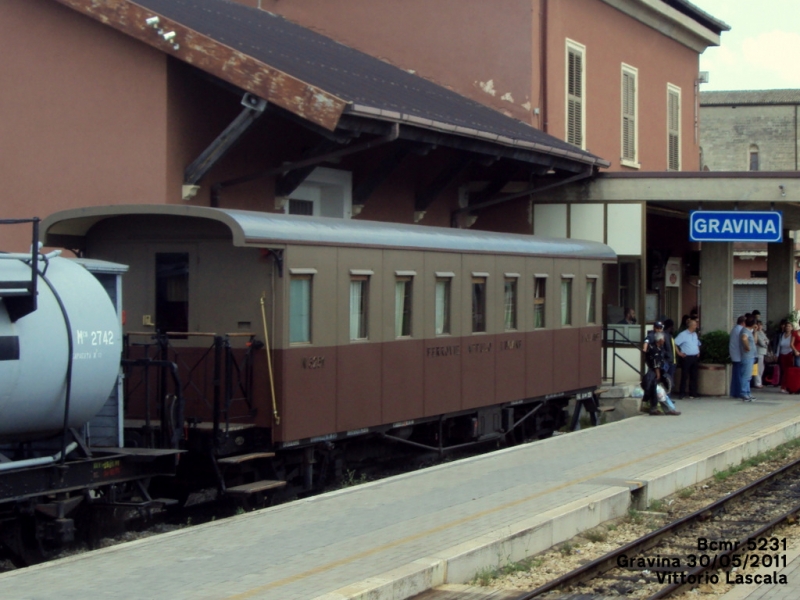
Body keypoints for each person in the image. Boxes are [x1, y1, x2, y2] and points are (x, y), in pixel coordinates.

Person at [642, 332, 680, 415]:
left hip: (660, 371)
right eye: (663, 339)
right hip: (654, 372)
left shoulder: (660, 348)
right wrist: (658, 374)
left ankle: (658, 408)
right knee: (659, 391)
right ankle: (666, 409)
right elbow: (656, 364)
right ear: (660, 340)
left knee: (661, 390)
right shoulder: (653, 348)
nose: (664, 340)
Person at [674, 318, 701, 399]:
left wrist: (698, 351)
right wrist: (679, 353)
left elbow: (697, 343)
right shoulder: (683, 334)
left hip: (694, 356)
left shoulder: (695, 334)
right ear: (691, 326)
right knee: (684, 375)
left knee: (694, 375)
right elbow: (675, 343)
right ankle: (682, 393)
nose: (696, 327)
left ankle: (693, 393)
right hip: (686, 357)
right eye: (695, 325)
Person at [739, 315, 757, 401]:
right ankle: (744, 393)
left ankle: (747, 392)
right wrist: (747, 347)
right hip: (747, 356)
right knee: (746, 376)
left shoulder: (748, 331)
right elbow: (744, 338)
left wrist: (755, 331)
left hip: (750, 356)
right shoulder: (745, 331)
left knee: (748, 376)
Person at [773, 319, 794, 393]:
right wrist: (776, 354)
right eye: (787, 326)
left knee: (788, 371)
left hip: (789, 354)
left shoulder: (792, 335)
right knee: (783, 371)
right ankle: (783, 386)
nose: (788, 327)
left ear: (791, 328)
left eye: (789, 326)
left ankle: (786, 386)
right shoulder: (781, 335)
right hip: (782, 354)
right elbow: (779, 345)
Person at [729, 316, 745, 399]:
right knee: (739, 375)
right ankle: (739, 392)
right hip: (739, 355)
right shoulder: (740, 330)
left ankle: (734, 392)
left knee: (736, 374)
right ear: (743, 323)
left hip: (735, 355)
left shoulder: (734, 329)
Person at [753, 321, 768, 389]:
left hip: (763, 352)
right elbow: (761, 342)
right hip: (758, 352)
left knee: (762, 368)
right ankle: (757, 383)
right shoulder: (756, 333)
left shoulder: (762, 332)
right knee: (758, 368)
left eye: (760, 325)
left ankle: (760, 382)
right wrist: (765, 343)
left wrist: (765, 342)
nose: (759, 327)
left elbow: (767, 340)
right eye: (758, 325)